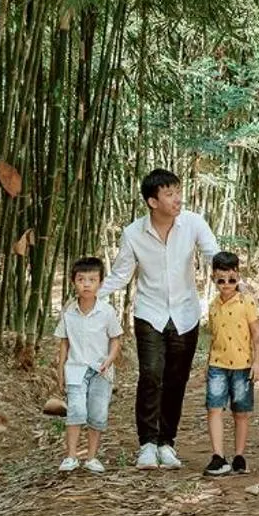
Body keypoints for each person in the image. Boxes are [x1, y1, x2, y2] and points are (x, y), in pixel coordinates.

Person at [101, 168, 220, 470]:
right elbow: (121, 274)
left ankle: (167, 442)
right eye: (169, 194)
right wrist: (93, 296)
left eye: (178, 191)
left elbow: (213, 255)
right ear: (153, 201)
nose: (177, 198)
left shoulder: (193, 223)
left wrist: (233, 282)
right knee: (151, 375)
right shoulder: (133, 233)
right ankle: (147, 444)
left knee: (176, 380)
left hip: (185, 313)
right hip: (149, 313)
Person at [53, 256, 123, 473]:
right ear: (73, 282)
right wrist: (60, 370)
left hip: (101, 371)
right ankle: (71, 456)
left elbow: (116, 339)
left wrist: (109, 360)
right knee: (75, 410)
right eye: (81, 279)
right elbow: (64, 343)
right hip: (75, 369)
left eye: (92, 280)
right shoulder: (68, 312)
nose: (86, 284)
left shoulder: (107, 312)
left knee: (98, 414)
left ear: (100, 283)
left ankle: (92, 457)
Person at [201, 252, 259, 476]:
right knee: (214, 408)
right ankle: (218, 456)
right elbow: (214, 336)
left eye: (231, 280)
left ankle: (239, 456)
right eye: (221, 280)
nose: (226, 285)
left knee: (241, 412)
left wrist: (258, 361)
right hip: (218, 364)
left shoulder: (247, 302)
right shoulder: (213, 305)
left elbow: (257, 334)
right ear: (213, 279)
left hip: (243, 365)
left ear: (238, 276)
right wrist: (208, 362)